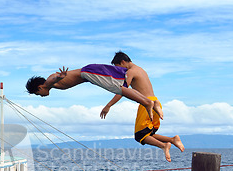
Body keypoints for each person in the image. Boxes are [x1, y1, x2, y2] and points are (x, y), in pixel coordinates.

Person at [105, 50, 184, 162]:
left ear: (123, 62)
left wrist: (108, 105)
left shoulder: (130, 72)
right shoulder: (141, 70)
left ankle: (164, 146)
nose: (120, 70)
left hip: (146, 104)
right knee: (149, 133)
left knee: (139, 135)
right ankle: (172, 139)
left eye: (119, 67)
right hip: (156, 102)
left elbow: (122, 91)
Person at [26, 64, 161, 121]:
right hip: (89, 74)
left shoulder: (49, 82)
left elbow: (51, 80)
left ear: (39, 87)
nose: (41, 96)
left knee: (118, 88)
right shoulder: (51, 85)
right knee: (121, 87)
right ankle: (148, 102)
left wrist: (58, 77)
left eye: (39, 94)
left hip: (88, 73)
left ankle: (146, 102)